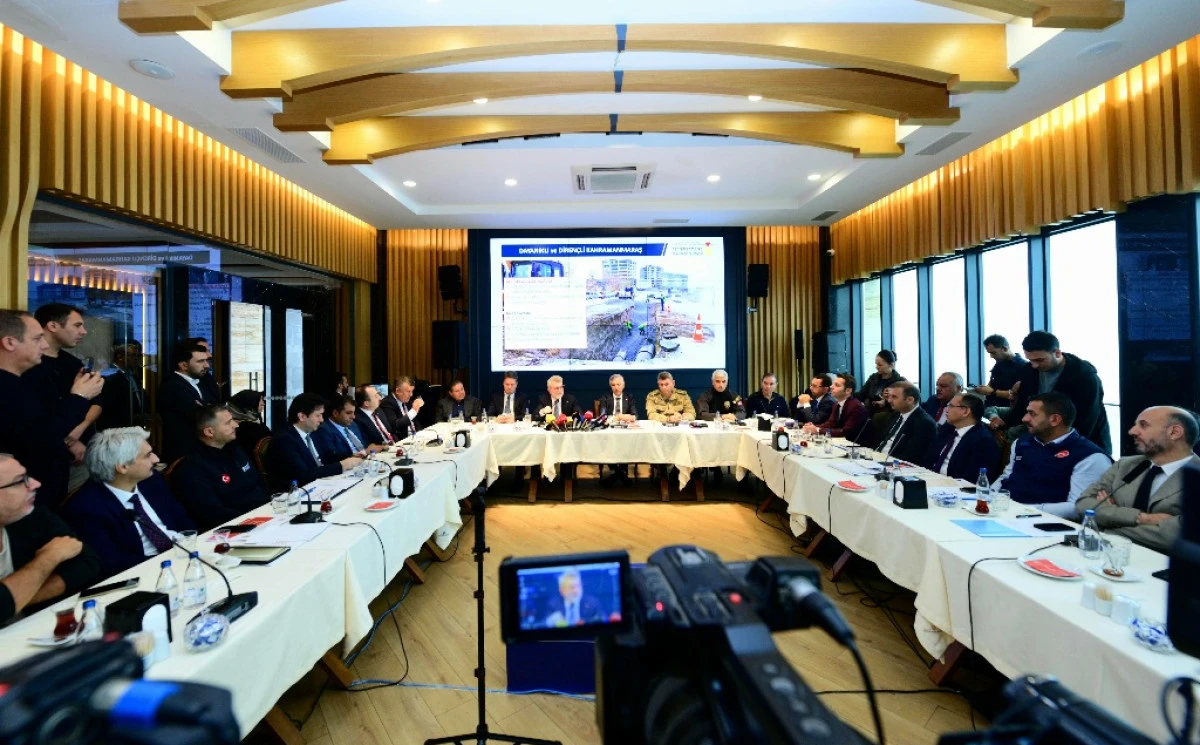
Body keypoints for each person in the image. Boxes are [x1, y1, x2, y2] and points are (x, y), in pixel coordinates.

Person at [62, 428, 196, 581]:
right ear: (122, 467)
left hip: (185, 555)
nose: (156, 459)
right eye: (147, 455)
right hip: (145, 574)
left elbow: (182, 520)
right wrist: (169, 562)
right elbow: (112, 564)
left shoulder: (150, 481)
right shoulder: (85, 509)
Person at [0, 309, 101, 507]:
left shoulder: (18, 384)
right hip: (19, 498)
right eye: (37, 339)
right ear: (10, 342)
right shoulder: (7, 389)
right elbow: (42, 436)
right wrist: (79, 397)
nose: (44, 345)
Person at [1075, 407, 1199, 553]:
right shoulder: (1125, 465)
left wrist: (1108, 524)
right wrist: (1142, 518)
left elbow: (1179, 535)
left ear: (1174, 432)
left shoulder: (1195, 475)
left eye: (1143, 425)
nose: (1132, 431)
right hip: (1106, 554)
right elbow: (1084, 504)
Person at [0, 453, 100, 623]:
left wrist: (17, 597)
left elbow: (87, 563)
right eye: (20, 481)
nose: (35, 484)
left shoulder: (30, 516)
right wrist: (49, 557)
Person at [994, 393, 1111, 518]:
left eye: (1032, 414)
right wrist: (988, 495)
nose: (1024, 418)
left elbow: (1077, 507)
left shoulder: (1089, 457)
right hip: (1005, 513)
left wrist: (1023, 510)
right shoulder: (1022, 442)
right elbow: (1006, 477)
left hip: (1044, 522)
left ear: (1055, 420)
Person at [993, 331, 1111, 454]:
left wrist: (1067, 447)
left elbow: (1087, 418)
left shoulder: (1084, 376)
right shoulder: (1029, 371)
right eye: (1030, 360)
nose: (1034, 365)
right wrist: (1006, 422)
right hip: (1045, 440)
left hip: (1084, 442)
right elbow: (1024, 404)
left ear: (1057, 353)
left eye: (1040, 360)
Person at [169, 405, 269, 532]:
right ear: (209, 432)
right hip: (236, 529)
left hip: (265, 515)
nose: (236, 425)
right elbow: (213, 514)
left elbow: (259, 483)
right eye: (228, 423)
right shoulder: (190, 469)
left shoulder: (236, 450)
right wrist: (256, 520)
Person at [27, 305, 102, 470]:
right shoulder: (28, 365)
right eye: (77, 325)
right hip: (44, 458)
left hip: (84, 452)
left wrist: (78, 431)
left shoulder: (73, 363)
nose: (83, 331)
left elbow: (96, 402)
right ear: (53, 326)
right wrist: (67, 440)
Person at [266, 392, 363, 492]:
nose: (322, 420)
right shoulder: (284, 440)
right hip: (297, 492)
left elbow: (327, 456)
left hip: (322, 484)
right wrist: (342, 465)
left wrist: (350, 456)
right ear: (302, 416)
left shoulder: (313, 432)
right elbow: (304, 475)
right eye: (318, 415)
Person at [158, 342, 217, 463]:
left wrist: (208, 408)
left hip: (199, 451)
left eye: (206, 361)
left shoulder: (200, 382)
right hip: (183, 454)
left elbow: (214, 406)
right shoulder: (173, 386)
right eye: (200, 361)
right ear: (183, 365)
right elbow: (202, 416)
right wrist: (207, 409)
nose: (206, 365)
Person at [927, 393, 1001, 481]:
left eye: (951, 406)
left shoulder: (983, 442)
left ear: (965, 412)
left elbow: (973, 479)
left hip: (952, 485)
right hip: (930, 477)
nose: (946, 410)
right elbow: (929, 458)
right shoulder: (947, 429)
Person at [803, 373, 875, 446]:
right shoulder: (836, 405)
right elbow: (830, 424)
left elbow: (845, 432)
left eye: (837, 385)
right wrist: (815, 427)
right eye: (833, 384)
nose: (831, 387)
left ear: (848, 390)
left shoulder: (856, 407)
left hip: (859, 447)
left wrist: (817, 430)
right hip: (844, 443)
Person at [875, 382, 937, 463]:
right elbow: (882, 441)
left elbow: (911, 456)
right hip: (876, 458)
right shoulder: (896, 415)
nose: (889, 400)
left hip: (893, 464)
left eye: (894, 397)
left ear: (910, 400)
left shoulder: (924, 423)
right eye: (889, 396)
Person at [314, 394, 383, 463]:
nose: (353, 417)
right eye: (348, 413)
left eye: (353, 412)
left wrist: (376, 447)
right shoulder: (324, 430)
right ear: (335, 413)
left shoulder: (352, 424)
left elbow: (365, 444)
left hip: (367, 461)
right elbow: (332, 458)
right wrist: (365, 452)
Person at [598, 374, 638, 487]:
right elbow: (603, 415)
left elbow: (634, 415)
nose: (616, 387)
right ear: (610, 386)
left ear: (623, 385)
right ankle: (619, 473)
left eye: (618, 384)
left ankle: (617, 473)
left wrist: (623, 417)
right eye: (613, 385)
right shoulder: (605, 398)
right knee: (609, 443)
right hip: (610, 431)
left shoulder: (629, 397)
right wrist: (615, 418)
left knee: (627, 443)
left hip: (625, 431)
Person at [98, 341, 146, 431]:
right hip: (117, 429)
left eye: (138, 355)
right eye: (133, 355)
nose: (136, 359)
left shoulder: (133, 376)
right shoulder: (109, 376)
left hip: (135, 427)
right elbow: (110, 407)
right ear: (120, 356)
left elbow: (140, 397)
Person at [973, 334, 1028, 410]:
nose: (991, 356)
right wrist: (983, 389)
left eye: (993, 353)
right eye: (989, 353)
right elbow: (991, 384)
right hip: (990, 408)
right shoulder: (998, 364)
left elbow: (1017, 395)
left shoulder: (1023, 366)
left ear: (1005, 348)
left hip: (1007, 410)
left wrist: (992, 392)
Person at [857, 350, 905, 417]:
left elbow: (903, 402)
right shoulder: (873, 378)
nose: (877, 367)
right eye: (876, 364)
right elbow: (861, 395)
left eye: (880, 365)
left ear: (891, 365)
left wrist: (885, 403)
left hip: (889, 416)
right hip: (870, 413)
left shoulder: (900, 382)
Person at [227, 389, 271, 459]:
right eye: (259, 400)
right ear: (249, 405)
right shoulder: (249, 428)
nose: (263, 403)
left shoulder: (253, 419)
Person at [183, 337, 223, 404]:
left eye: (209, 351)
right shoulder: (179, 385)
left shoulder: (205, 376)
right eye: (203, 350)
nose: (210, 355)